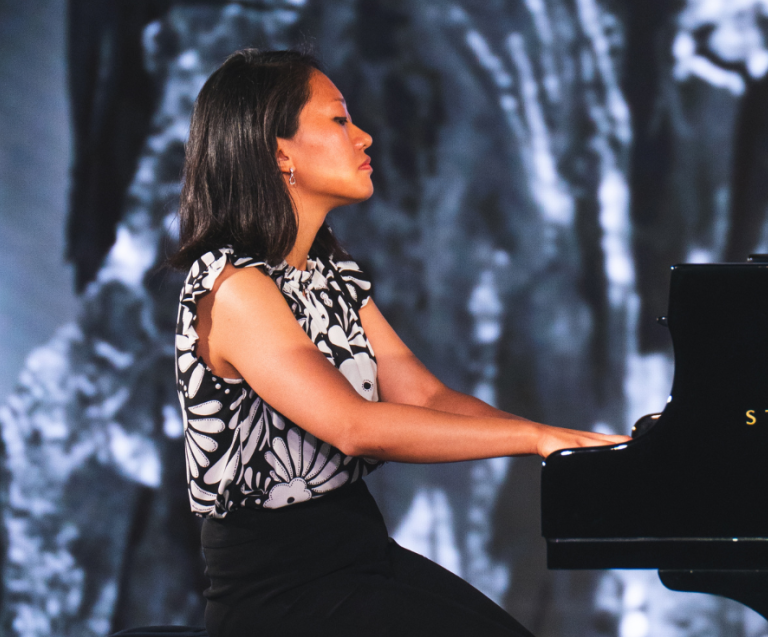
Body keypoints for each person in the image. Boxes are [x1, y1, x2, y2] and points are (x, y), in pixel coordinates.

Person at [169, 48, 628, 637]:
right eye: (339, 119)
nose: (364, 137)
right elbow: (353, 425)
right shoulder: (234, 287)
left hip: (355, 549)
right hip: (280, 590)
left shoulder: (328, 273)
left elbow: (426, 397)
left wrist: (560, 442)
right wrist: (537, 439)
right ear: (279, 152)